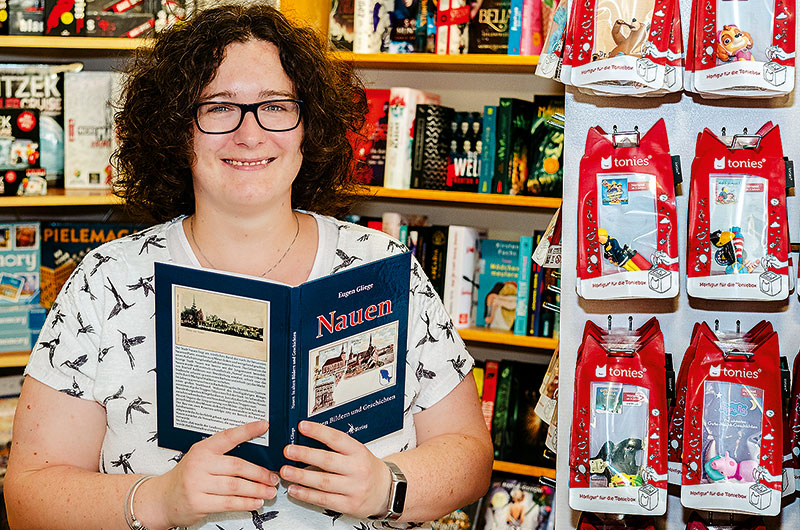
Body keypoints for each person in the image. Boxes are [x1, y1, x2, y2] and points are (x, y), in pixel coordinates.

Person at [4, 5, 493, 530]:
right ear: (177, 130)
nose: (250, 133)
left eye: (276, 106)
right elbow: (29, 496)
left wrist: (385, 486)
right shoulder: (106, 283)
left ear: (309, 125)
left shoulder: (383, 266)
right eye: (218, 108)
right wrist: (160, 499)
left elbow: (469, 454)